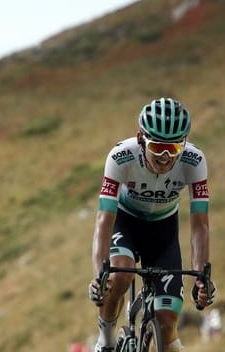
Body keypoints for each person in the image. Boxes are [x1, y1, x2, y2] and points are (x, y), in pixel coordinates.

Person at [88, 97, 215, 352]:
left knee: (167, 323)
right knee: (120, 273)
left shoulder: (195, 161)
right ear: (140, 138)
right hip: (125, 222)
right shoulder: (121, 156)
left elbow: (200, 224)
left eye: (174, 149)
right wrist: (99, 274)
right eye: (157, 147)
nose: (166, 157)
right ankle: (106, 339)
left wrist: (202, 275)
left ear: (185, 144)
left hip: (163, 232)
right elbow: (104, 219)